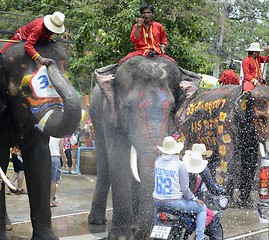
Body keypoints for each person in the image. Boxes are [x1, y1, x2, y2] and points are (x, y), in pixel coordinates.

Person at [153, 136, 207, 240]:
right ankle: (199, 237)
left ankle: (156, 232)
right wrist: (194, 199)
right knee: (202, 209)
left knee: (158, 215)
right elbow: (185, 189)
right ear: (176, 151)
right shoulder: (179, 164)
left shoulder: (157, 161)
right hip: (174, 203)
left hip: (158, 202)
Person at [183, 144, 226, 240]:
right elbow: (212, 189)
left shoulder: (183, 166)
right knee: (213, 227)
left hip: (179, 202)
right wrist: (222, 191)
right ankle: (196, 235)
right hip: (193, 204)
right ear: (203, 156)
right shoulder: (203, 169)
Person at [0, 11, 65, 66]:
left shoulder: (50, 27)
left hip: (37, 40)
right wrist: (40, 59)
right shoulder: (38, 28)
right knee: (3, 54)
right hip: (22, 39)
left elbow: (50, 31)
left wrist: (50, 38)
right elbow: (28, 46)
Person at [49, 136, 65, 207]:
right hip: (55, 158)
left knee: (47, 180)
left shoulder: (47, 135)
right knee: (54, 181)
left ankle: (45, 199)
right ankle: (51, 201)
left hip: (46, 157)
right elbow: (61, 151)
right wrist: (65, 162)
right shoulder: (60, 137)